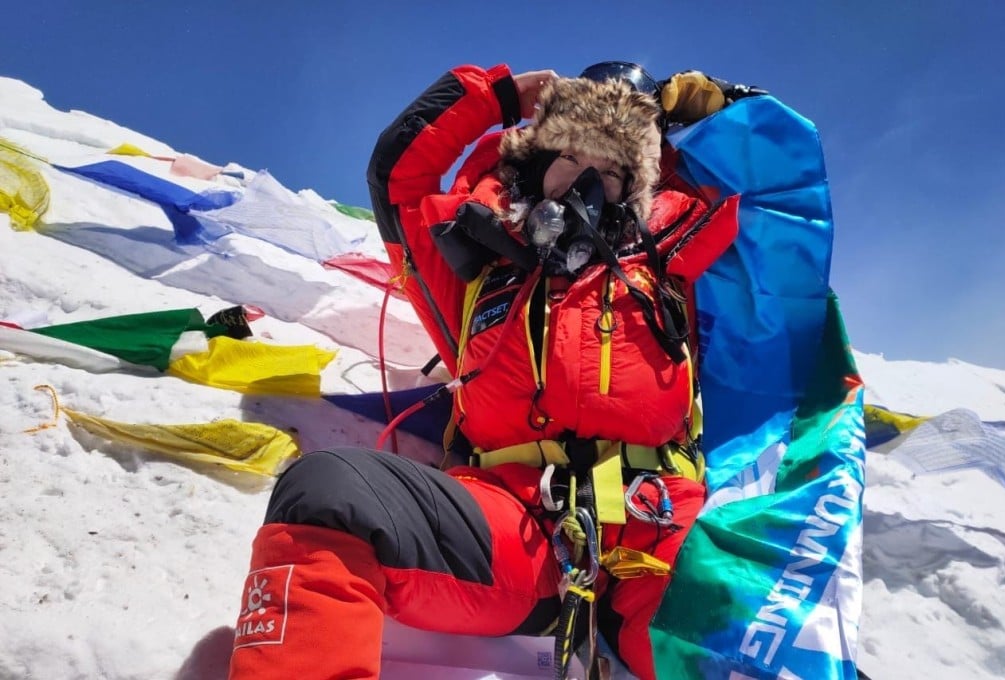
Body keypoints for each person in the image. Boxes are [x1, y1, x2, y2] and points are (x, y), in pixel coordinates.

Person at [227, 62, 747, 680]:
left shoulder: (680, 263)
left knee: (770, 646)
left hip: (661, 534)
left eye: (609, 170)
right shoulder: (476, 270)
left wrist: (724, 111)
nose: (585, 181)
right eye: (570, 157)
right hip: (517, 531)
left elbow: (787, 204)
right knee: (328, 493)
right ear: (535, 162)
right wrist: (492, 97)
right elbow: (398, 176)